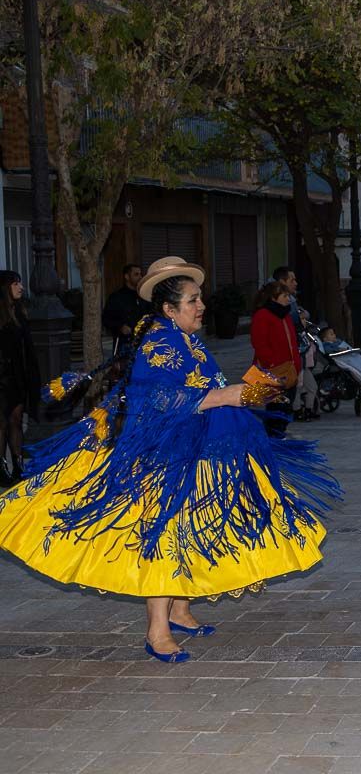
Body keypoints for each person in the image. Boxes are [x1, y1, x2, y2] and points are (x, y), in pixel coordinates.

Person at [0, 256, 338, 663]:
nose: (202, 307)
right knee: (164, 531)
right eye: (193, 301)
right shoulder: (160, 343)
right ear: (169, 308)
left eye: (199, 299)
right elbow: (163, 399)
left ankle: (179, 610)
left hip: (195, 446)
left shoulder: (185, 338)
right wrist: (233, 395)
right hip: (162, 453)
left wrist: (254, 386)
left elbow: (203, 382)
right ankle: (156, 630)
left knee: (188, 524)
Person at [0, 271, 38, 485]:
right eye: (15, 283)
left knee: (15, 420)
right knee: (1, 423)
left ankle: (17, 464)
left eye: (20, 283)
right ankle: (2, 467)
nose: (20, 287)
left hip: (17, 377)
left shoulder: (19, 313)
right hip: (2, 378)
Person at [250, 281, 302, 437]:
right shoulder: (263, 315)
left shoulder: (285, 315)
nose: (288, 299)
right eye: (284, 296)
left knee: (287, 403)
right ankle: (274, 434)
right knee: (275, 405)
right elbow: (259, 343)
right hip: (273, 369)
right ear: (274, 298)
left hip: (289, 368)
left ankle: (280, 431)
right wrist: (271, 362)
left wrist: (296, 364)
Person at [272, 267, 310, 414]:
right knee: (281, 396)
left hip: (291, 358)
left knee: (291, 390)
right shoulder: (268, 314)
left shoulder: (286, 312)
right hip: (279, 362)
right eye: (291, 280)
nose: (296, 283)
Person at [101, 264, 152, 356]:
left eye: (141, 274)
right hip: (125, 343)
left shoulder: (144, 296)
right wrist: (120, 327)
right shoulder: (116, 297)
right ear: (127, 277)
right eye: (136, 274)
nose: (140, 277)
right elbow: (106, 319)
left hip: (145, 342)